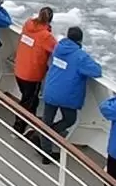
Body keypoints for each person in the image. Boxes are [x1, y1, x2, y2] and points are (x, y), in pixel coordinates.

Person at [39, 26, 102, 164]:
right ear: (80, 40)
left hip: (51, 89)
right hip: (66, 95)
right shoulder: (80, 56)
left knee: (47, 120)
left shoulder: (58, 48)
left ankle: (45, 145)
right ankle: (47, 137)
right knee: (69, 119)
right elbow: (96, 71)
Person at [12, 7, 56, 135]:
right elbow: (56, 49)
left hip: (19, 68)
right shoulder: (45, 36)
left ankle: (27, 122)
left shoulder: (28, 25)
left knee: (28, 98)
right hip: (32, 74)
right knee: (29, 100)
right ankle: (19, 126)